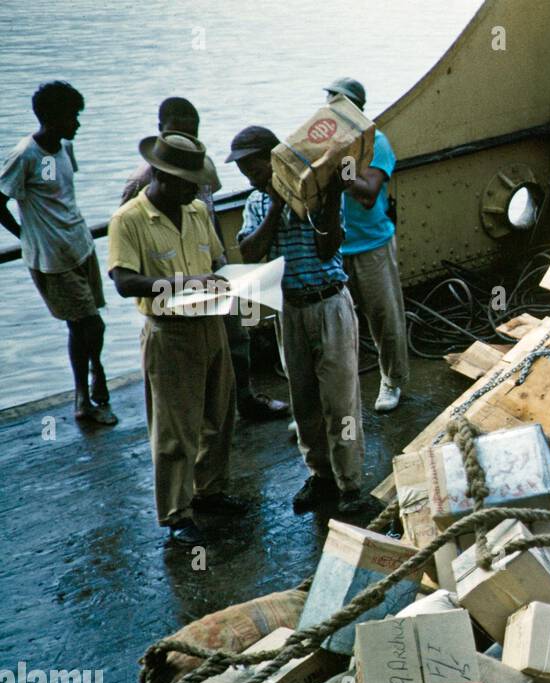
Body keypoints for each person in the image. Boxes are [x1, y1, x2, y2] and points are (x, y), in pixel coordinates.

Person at [107, 132, 246, 546]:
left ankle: (210, 491)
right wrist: (182, 285)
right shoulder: (129, 220)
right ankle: (175, 513)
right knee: (174, 430)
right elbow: (124, 281)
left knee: (219, 416)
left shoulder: (199, 211)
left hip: (211, 325)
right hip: (170, 333)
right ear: (164, 178)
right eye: (190, 183)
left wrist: (227, 278)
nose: (198, 190)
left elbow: (218, 258)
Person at [228, 125, 368, 517]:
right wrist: (275, 204)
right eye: (242, 168)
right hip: (289, 309)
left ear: (272, 158)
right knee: (304, 402)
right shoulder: (256, 203)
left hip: (328, 304)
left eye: (251, 165)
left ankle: (351, 483)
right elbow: (251, 251)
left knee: (341, 401)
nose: (246, 174)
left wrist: (333, 197)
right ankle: (321, 476)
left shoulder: (318, 191)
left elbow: (327, 250)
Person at [122, 97, 289, 423]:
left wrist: (221, 262)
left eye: (192, 134)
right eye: (178, 133)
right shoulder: (140, 183)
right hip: (174, 289)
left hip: (212, 272)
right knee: (188, 358)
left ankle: (243, 400)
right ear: (161, 132)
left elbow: (208, 216)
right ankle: (202, 415)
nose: (188, 141)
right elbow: (131, 245)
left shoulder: (202, 169)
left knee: (237, 339)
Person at [0, 81, 116, 426]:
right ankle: (93, 386)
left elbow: (62, 195)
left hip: (80, 246)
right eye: (72, 117)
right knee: (90, 324)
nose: (77, 124)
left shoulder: (64, 147)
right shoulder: (25, 156)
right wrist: (27, 235)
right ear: (50, 117)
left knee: (82, 326)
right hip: (52, 258)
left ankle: (87, 393)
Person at [326, 77, 407, 413]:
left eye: (339, 103)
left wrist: (339, 169)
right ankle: (334, 395)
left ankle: (393, 381)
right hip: (334, 247)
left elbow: (369, 192)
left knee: (384, 318)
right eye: (330, 102)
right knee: (335, 325)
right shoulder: (324, 143)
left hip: (372, 245)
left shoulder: (378, 143)